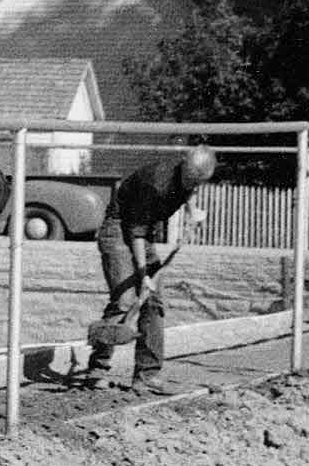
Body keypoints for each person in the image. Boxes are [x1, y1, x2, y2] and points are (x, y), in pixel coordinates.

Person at [82, 144, 217, 394]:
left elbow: (188, 192)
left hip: (144, 234)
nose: (192, 186)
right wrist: (144, 275)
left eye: (197, 182)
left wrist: (192, 212)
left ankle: (147, 375)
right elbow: (136, 234)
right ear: (184, 167)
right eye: (190, 180)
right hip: (120, 231)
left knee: (153, 303)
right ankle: (96, 370)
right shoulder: (155, 183)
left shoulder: (189, 178)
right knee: (125, 300)